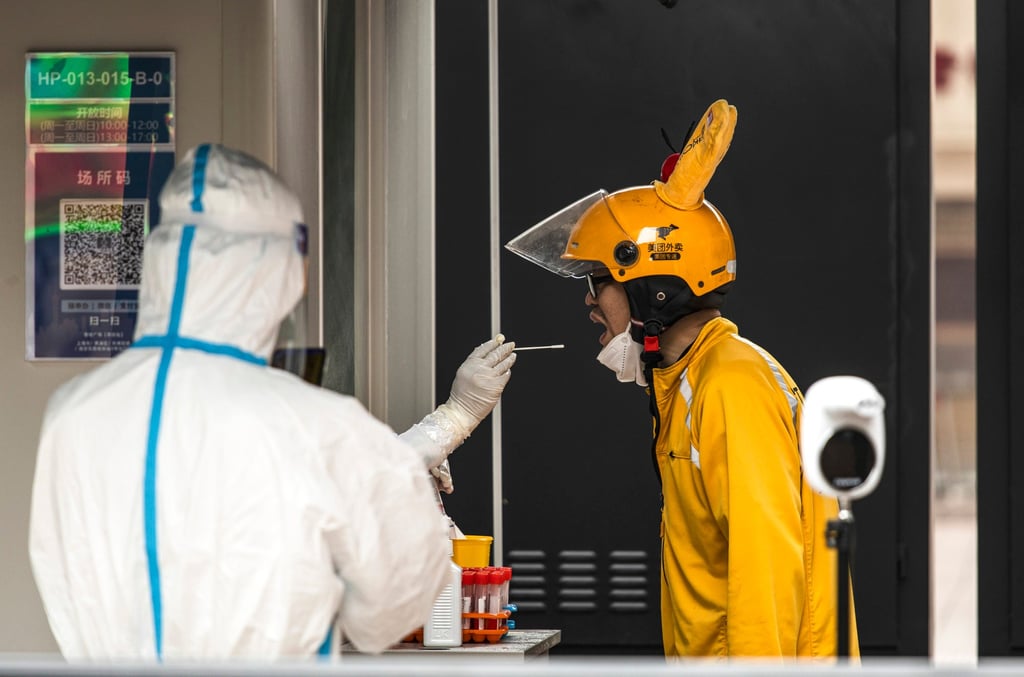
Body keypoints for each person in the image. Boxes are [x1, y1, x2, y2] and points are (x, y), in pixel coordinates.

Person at [29, 143, 516, 660]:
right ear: (279, 270)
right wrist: (434, 437)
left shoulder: (72, 413)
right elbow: (396, 608)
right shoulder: (315, 425)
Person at [505, 99, 857, 659]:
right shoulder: (685, 383)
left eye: (600, 281)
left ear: (653, 288)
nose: (591, 302)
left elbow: (765, 572)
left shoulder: (730, 386)